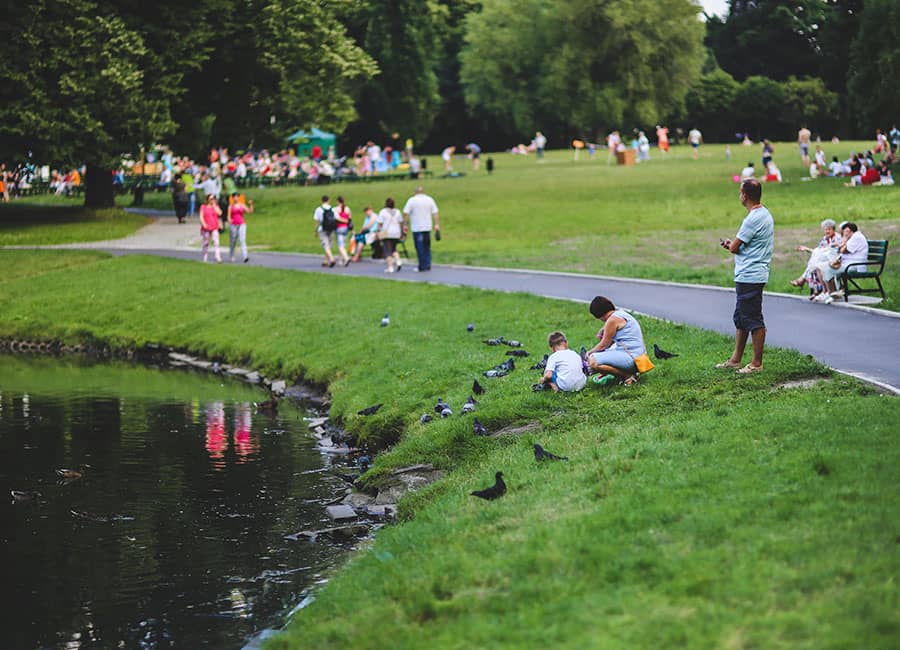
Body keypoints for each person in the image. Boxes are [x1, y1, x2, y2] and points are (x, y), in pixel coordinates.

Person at [717, 179, 774, 374]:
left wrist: (729, 245)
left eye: (740, 192)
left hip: (751, 274)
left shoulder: (752, 218)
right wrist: (734, 245)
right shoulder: (764, 213)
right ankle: (735, 359)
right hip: (750, 272)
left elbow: (735, 247)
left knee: (753, 318)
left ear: (745, 195)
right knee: (741, 317)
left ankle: (757, 363)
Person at [586, 296, 648, 386]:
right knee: (603, 354)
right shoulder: (621, 313)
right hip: (640, 357)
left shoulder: (612, 320)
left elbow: (604, 345)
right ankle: (615, 374)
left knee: (593, 361)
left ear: (599, 315)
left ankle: (627, 375)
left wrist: (589, 353)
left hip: (633, 359)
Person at [790, 218, 841, 301]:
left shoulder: (837, 238)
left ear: (833, 229)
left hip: (834, 260)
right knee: (815, 264)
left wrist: (808, 250)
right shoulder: (825, 239)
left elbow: (832, 252)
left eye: (829, 229)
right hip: (825, 259)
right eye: (825, 230)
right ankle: (819, 291)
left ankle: (809, 285)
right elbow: (819, 251)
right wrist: (807, 249)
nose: (827, 231)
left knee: (815, 264)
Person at [823, 222, 868, 299]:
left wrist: (845, 240)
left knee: (828, 270)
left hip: (855, 266)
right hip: (849, 264)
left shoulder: (857, 237)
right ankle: (836, 292)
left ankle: (833, 293)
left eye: (844, 232)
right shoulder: (853, 237)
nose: (843, 234)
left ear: (848, 230)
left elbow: (843, 250)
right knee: (828, 268)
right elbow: (841, 248)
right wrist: (843, 244)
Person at [402, 186, 440, 272]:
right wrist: (437, 224)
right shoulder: (430, 199)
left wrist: (405, 225)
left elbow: (406, 213)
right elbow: (435, 212)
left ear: (415, 192)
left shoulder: (411, 200)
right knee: (427, 246)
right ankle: (428, 264)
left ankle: (422, 266)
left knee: (419, 247)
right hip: (427, 227)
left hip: (417, 227)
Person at [376, 197, 404, 273]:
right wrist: (402, 233)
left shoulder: (383, 212)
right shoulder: (398, 211)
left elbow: (380, 224)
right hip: (396, 233)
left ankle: (390, 267)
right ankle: (398, 261)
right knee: (394, 249)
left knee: (387, 250)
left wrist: (378, 232)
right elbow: (401, 223)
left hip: (386, 233)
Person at [227, 192, 253, 263]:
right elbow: (228, 216)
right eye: (234, 197)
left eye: (237, 196)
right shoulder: (230, 206)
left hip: (242, 224)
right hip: (233, 225)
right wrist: (229, 220)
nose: (236, 198)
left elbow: (249, 211)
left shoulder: (242, 205)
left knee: (242, 240)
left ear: (238, 197)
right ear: (232, 198)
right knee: (233, 241)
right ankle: (231, 256)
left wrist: (251, 204)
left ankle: (245, 256)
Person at [313, 195, 337, 267]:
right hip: (331, 229)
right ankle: (326, 261)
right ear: (328, 200)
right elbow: (335, 219)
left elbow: (317, 221)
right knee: (329, 245)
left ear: (321, 200)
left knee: (325, 245)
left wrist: (315, 231)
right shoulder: (332, 209)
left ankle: (332, 259)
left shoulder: (319, 209)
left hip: (322, 229)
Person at [199, 193, 223, 263]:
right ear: (207, 199)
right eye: (211, 199)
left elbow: (220, 213)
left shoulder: (215, 206)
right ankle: (205, 257)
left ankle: (217, 257)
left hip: (214, 227)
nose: (212, 200)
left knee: (216, 242)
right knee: (206, 243)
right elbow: (201, 216)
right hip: (206, 227)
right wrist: (204, 224)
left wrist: (214, 205)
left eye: (213, 199)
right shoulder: (203, 207)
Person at [334, 196, 352, 266]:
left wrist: (344, 221)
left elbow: (337, 218)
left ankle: (346, 258)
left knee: (340, 245)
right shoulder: (347, 208)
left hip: (339, 228)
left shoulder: (336, 209)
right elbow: (350, 218)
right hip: (346, 228)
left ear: (337, 201)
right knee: (343, 245)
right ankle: (340, 260)